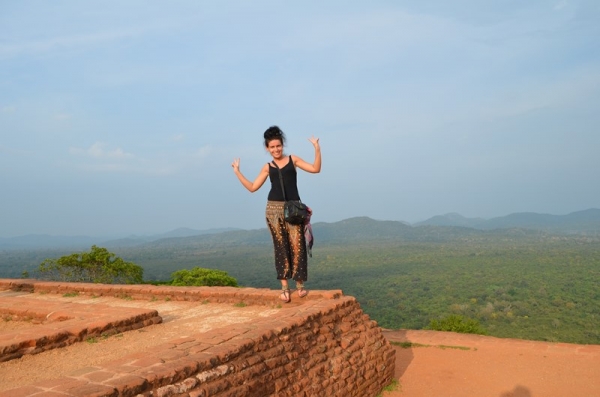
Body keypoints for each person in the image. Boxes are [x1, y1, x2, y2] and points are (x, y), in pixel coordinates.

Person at [232, 126, 321, 303]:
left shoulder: (292, 159)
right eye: (272, 147)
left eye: (278, 146)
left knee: (297, 245)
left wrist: (317, 149)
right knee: (281, 247)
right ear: (267, 148)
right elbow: (252, 187)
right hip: (273, 210)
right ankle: (284, 288)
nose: (276, 150)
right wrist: (237, 172)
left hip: (293, 209)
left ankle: (300, 285)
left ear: (282, 145)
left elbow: (315, 169)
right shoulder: (267, 167)